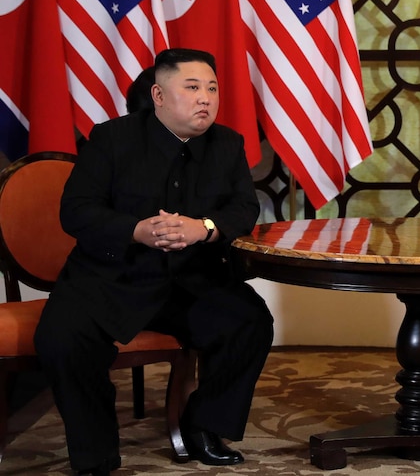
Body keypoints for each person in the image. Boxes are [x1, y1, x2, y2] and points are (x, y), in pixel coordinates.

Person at [34, 48, 274, 475]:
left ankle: (203, 426)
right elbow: (77, 210)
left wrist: (205, 227)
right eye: (193, 87)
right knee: (62, 337)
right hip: (112, 276)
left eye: (212, 88)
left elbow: (243, 208)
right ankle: (96, 453)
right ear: (159, 95)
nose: (206, 98)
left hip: (190, 280)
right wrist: (137, 230)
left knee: (249, 320)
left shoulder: (228, 144)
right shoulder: (111, 138)